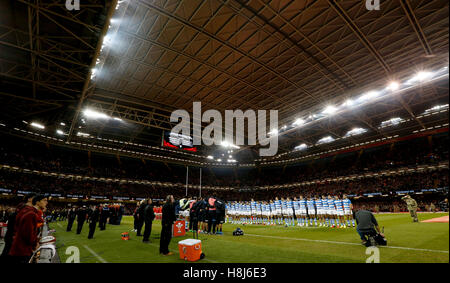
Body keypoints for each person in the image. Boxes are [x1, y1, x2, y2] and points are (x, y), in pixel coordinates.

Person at [9, 194, 48, 263]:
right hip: (22, 250)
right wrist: (35, 244)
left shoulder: (29, 212)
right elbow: (28, 235)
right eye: (44, 200)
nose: (46, 202)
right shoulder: (31, 214)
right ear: (37, 202)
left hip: (19, 248)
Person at [0, 193, 36, 261]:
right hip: (13, 237)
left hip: (13, 237)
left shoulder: (26, 209)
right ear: (29, 199)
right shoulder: (23, 208)